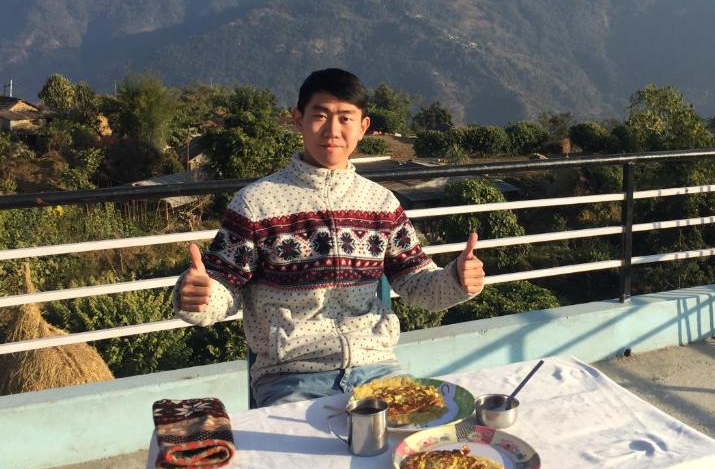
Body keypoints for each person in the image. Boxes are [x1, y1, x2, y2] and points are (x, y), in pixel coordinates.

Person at [174, 68, 484, 407]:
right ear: (298, 119)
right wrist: (199, 298)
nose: (333, 131)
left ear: (363, 127)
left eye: (345, 118)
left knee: (427, 444)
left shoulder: (381, 204)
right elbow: (225, 288)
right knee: (310, 460)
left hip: (375, 367)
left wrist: (456, 279)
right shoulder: (256, 204)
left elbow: (415, 282)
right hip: (290, 375)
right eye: (320, 116)